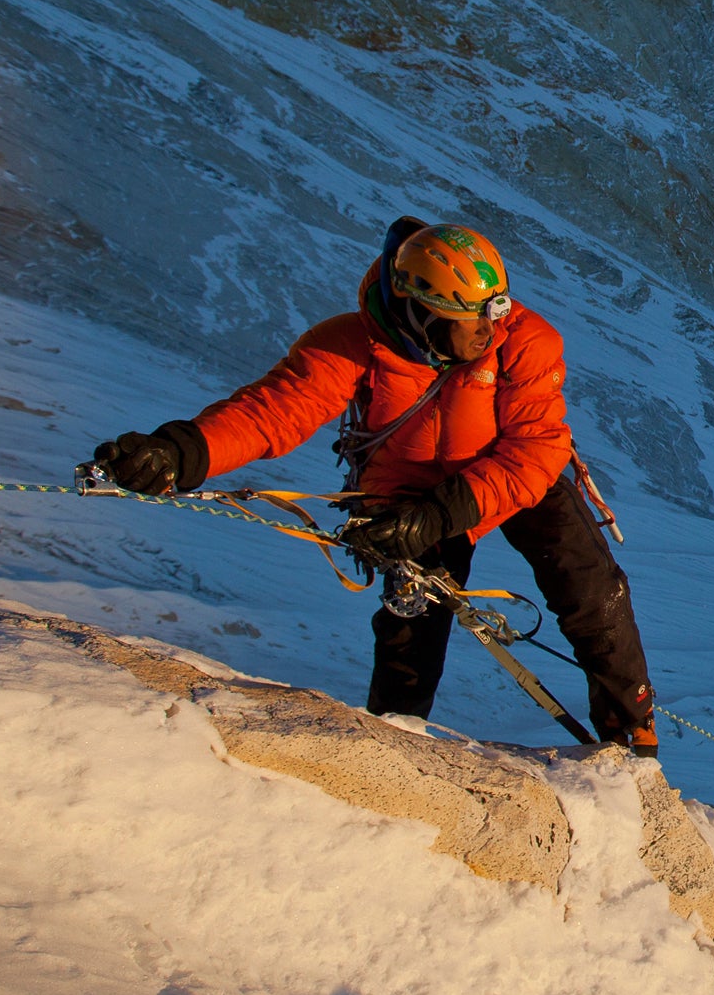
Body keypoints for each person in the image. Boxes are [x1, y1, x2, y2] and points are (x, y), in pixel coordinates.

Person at [92, 217, 658, 754]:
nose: (490, 329)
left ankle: (631, 734)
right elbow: (273, 413)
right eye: (473, 318)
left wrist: (445, 509)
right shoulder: (356, 344)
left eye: (496, 309)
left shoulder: (523, 341)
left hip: (509, 476)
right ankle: (395, 745)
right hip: (407, 495)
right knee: (408, 638)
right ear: (421, 312)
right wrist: (180, 452)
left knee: (591, 588)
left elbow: (537, 448)